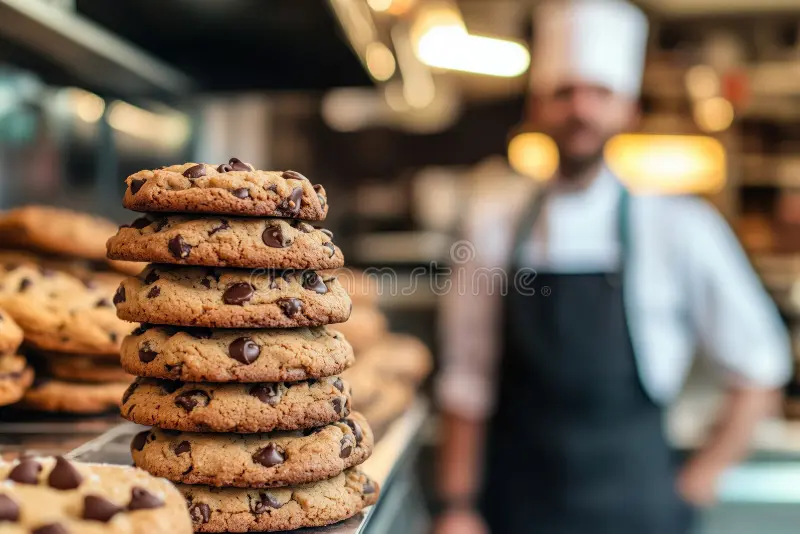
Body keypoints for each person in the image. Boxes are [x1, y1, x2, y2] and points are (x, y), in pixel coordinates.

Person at [434, 1, 791, 533]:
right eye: (564, 92)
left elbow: (762, 363)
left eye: (600, 93)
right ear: (537, 106)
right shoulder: (494, 225)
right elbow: (467, 379)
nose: (581, 109)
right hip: (518, 507)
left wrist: (701, 476)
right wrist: (456, 507)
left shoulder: (680, 225)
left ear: (629, 109)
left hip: (639, 508)